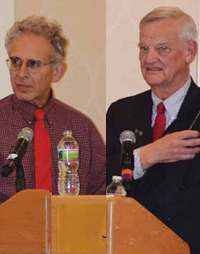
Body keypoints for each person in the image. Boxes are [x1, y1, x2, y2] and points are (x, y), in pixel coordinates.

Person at [107, 6, 200, 253]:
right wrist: (147, 156)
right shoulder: (121, 112)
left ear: (190, 51)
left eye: (162, 49)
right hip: (130, 245)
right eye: (144, 49)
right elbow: (101, 179)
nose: (149, 59)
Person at [0, 15, 105, 203]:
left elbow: (102, 194)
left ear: (57, 72)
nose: (21, 73)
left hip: (71, 230)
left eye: (33, 64)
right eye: (15, 62)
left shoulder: (81, 127)